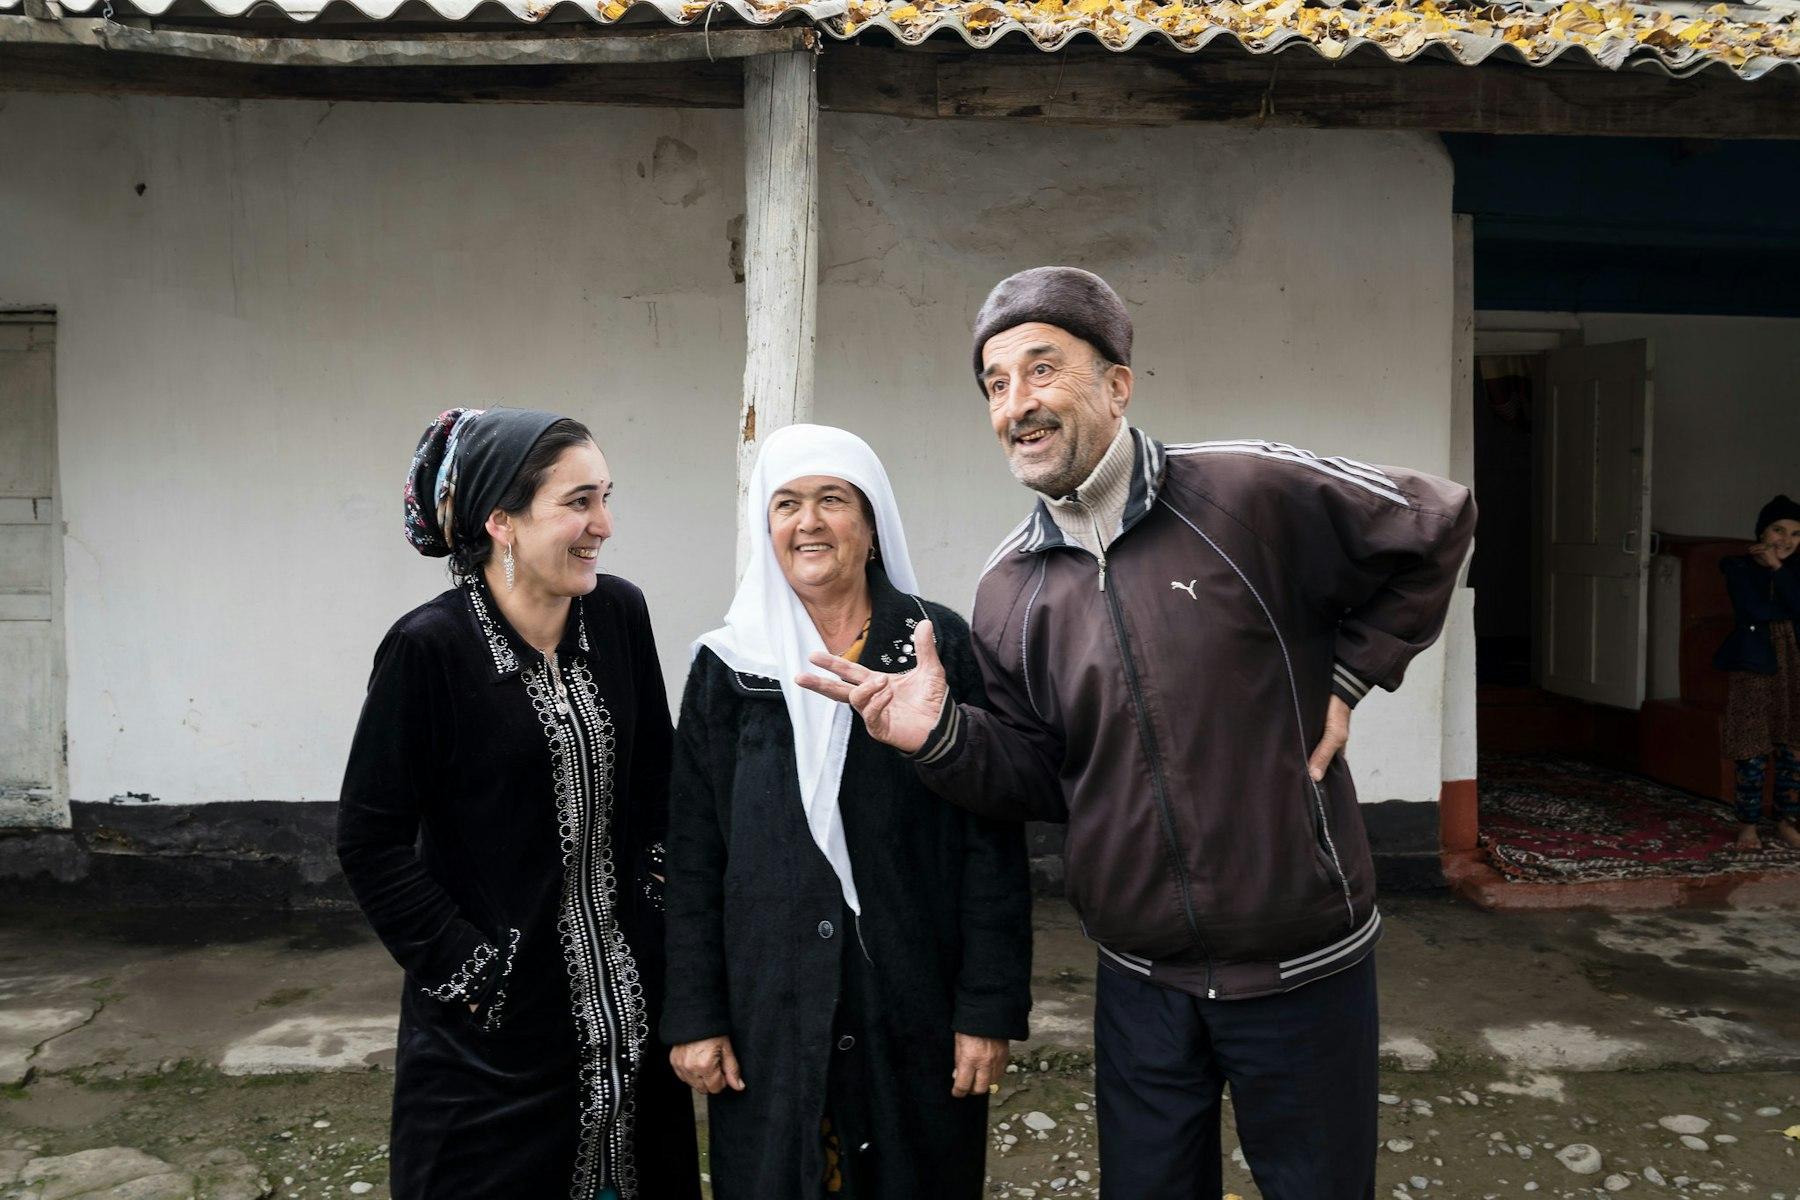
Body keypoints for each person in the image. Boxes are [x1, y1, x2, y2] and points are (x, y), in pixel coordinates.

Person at [800, 267, 1476, 1199]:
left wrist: (1351, 674)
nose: (1016, 404)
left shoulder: (1245, 492)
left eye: (1043, 370)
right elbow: (1042, 776)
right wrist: (940, 736)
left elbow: (1436, 522)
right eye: (996, 384)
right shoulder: (1011, 591)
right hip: (1140, 983)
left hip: (1303, 964)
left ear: (1117, 383)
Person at [661, 423, 1032, 1199]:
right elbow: (693, 858)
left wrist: (987, 1007)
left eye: (833, 500)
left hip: (913, 1002)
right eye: (787, 504)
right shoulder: (728, 667)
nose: (809, 522)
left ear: (870, 527)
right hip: (770, 1007)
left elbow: (988, 842)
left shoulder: (935, 648)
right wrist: (695, 1015)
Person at [337, 407, 699, 1200]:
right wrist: (477, 974)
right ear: (500, 519)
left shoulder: (619, 614)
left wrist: (661, 914)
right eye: (577, 502)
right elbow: (370, 842)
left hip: (632, 1021)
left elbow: (658, 788)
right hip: (489, 1053)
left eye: (605, 497)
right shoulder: (427, 650)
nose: (603, 524)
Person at [1713, 493, 1800, 850]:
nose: (1786, 540)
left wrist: (1780, 570)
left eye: (1796, 534)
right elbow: (1754, 610)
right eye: (1778, 530)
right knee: (1752, 744)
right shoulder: (1737, 566)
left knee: (1794, 746)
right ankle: (1747, 825)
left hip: (1795, 664)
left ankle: (1786, 821)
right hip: (1755, 663)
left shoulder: (1795, 570)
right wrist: (1782, 588)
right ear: (1761, 531)